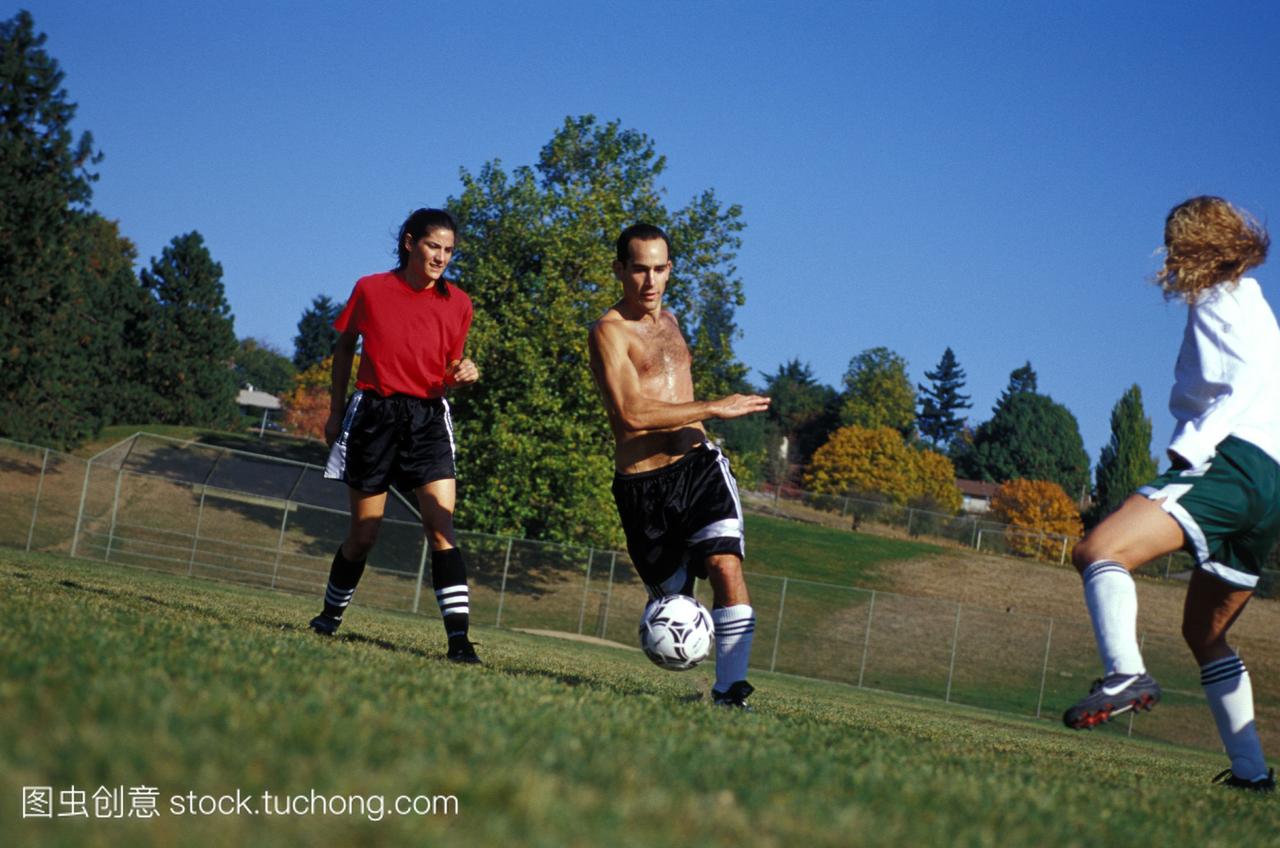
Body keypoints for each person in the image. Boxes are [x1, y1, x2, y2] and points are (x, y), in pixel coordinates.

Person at [1064, 196, 1278, 792]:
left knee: (1099, 551)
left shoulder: (1216, 298)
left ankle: (1125, 675)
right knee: (1205, 634)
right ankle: (1252, 774)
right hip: (1271, 485)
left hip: (1231, 462)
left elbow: (1248, 380)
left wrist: (1195, 448)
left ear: (1192, 243)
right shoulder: (1255, 301)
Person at [588, 223, 771, 709]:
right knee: (673, 602)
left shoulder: (670, 321)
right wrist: (715, 407)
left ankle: (731, 693)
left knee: (725, 565)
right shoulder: (608, 333)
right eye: (640, 270)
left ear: (670, 270)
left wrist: (706, 419)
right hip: (643, 488)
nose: (651, 282)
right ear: (620, 270)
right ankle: (685, 655)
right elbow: (630, 412)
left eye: (660, 269)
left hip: (698, 469)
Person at [309, 207, 482, 664]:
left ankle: (459, 643)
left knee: (440, 526)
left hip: (428, 419)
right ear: (410, 242)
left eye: (449, 250)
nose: (441, 257)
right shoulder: (370, 289)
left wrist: (464, 371)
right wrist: (335, 410)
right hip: (374, 415)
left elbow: (448, 365)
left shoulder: (459, 302)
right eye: (433, 246)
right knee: (364, 534)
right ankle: (329, 616)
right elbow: (344, 348)